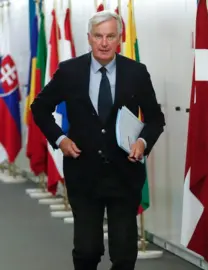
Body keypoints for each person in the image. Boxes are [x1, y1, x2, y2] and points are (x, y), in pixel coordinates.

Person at [30, 10, 165, 270]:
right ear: (89, 38)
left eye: (110, 36)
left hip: (124, 175)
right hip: (84, 174)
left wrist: (142, 143)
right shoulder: (70, 71)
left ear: (119, 39)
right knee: (87, 251)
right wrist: (60, 139)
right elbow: (39, 107)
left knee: (125, 255)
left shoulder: (136, 72)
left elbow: (155, 119)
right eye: (99, 36)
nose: (104, 43)